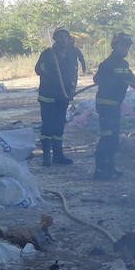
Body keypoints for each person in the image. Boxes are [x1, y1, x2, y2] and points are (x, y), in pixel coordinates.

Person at [93, 32, 135, 180]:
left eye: (127, 47)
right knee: (107, 137)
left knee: (113, 138)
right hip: (106, 105)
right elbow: (97, 79)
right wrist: (114, 80)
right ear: (115, 46)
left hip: (114, 105)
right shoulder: (107, 63)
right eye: (122, 46)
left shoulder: (124, 65)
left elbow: (131, 79)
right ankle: (100, 170)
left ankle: (110, 167)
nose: (125, 49)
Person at [34, 28, 81, 166]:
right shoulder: (47, 53)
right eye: (60, 37)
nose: (63, 40)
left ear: (69, 38)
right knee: (47, 125)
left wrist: (72, 89)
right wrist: (49, 66)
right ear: (55, 39)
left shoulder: (72, 54)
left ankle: (58, 155)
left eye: (65, 37)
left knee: (59, 125)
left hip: (63, 96)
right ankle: (46, 157)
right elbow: (38, 69)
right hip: (48, 95)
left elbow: (74, 73)